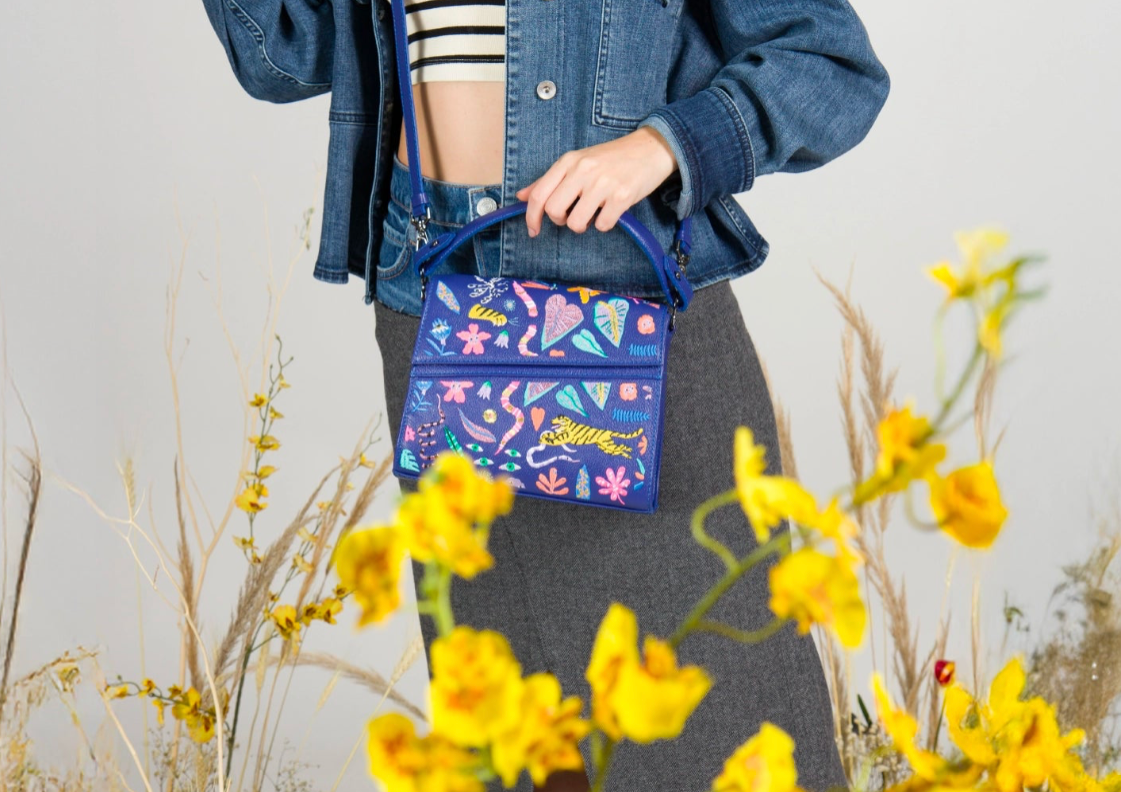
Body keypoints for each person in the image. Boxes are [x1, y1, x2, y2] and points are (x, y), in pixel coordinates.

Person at [197, 0, 889, 790]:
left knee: (723, 737)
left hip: (622, 318)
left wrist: (661, 146)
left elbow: (833, 64)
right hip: (437, 303)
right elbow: (283, 54)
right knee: (522, 745)